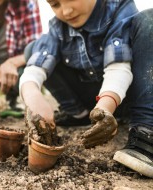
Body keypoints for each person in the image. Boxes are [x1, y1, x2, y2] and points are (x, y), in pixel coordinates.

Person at [20, 0, 153, 177]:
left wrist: (106, 106)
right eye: (55, 4)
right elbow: (33, 70)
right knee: (34, 49)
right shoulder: (58, 27)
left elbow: (118, 68)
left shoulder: (119, 8)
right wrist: (33, 96)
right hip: (92, 100)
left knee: (149, 19)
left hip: (128, 94)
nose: (66, 11)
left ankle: (146, 131)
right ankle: (78, 114)